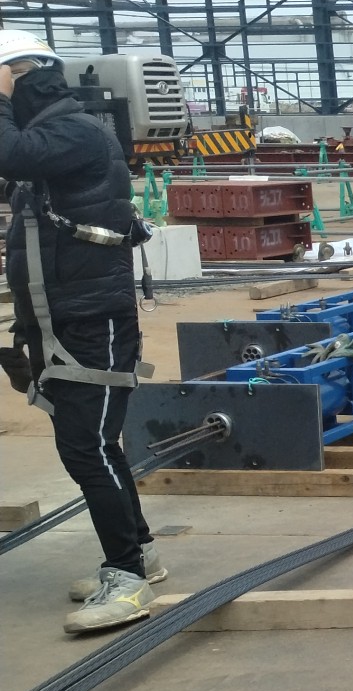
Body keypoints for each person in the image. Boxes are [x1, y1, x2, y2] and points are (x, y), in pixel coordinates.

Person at [0, 31, 166, 633]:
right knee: (95, 444)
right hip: (60, 319)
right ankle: (139, 553)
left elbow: (9, 154)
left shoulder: (74, 132)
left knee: (87, 448)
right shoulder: (48, 139)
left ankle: (127, 577)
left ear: (23, 76)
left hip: (93, 321)